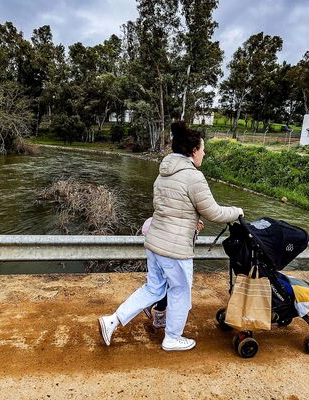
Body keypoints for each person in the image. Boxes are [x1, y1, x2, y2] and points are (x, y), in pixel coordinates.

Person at [98, 121, 244, 351]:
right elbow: (213, 212)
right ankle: (172, 338)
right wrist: (237, 211)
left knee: (153, 289)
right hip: (175, 249)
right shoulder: (193, 177)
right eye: (203, 149)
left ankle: (112, 320)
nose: (204, 153)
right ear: (193, 151)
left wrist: (190, 219)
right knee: (180, 293)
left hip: (155, 243)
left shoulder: (163, 173)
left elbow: (166, 207)